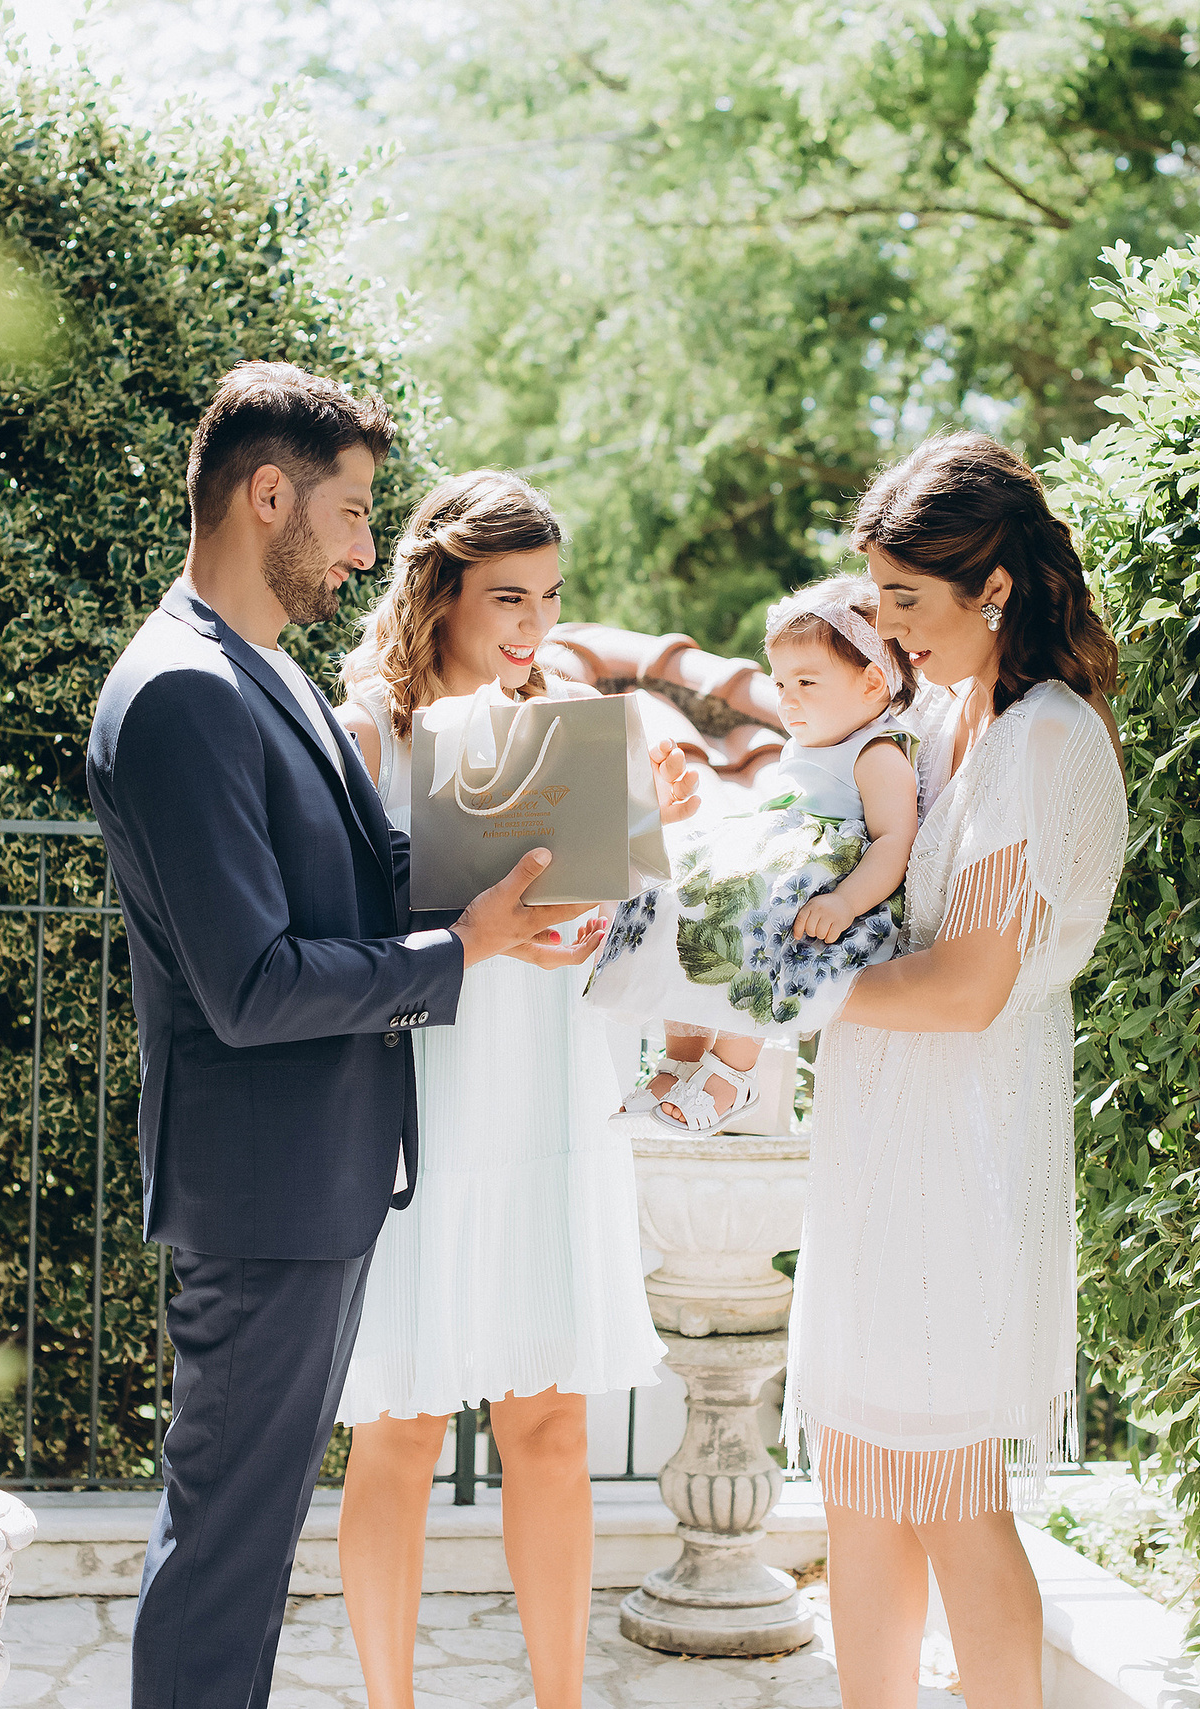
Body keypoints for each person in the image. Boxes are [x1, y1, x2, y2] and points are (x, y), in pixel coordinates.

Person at [86, 364, 699, 1709]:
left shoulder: (265, 679)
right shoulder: (190, 689)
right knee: (222, 1561)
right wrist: (463, 949)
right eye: (356, 511)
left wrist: (552, 881)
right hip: (266, 1195)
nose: (369, 544)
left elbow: (371, 873)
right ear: (267, 495)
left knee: (235, 1561)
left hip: (323, 1176)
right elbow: (248, 987)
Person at [784, 432, 1126, 1709]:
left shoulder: (1041, 738)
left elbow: (972, 982)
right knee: (861, 1479)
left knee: (946, 1489)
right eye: (877, 596)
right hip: (891, 1135)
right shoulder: (941, 713)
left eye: (907, 601)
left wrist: (793, 992)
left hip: (966, 1148)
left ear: (993, 587)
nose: (886, 627)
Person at [327, 471, 669, 1709]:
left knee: (554, 1429)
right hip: (428, 1096)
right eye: (506, 596)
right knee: (399, 1429)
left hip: (554, 1091)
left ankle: (562, 1700)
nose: (532, 624)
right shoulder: (367, 728)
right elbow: (342, 920)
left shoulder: (569, 724)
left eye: (550, 596)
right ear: (441, 590)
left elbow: (604, 916)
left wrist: (638, 841)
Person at [582, 574, 921, 1132]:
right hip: (777, 857)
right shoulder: (806, 743)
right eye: (781, 684)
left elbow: (894, 841)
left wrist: (844, 901)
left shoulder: (876, 751)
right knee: (679, 890)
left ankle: (733, 1071)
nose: (786, 701)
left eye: (806, 682)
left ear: (872, 683)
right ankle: (681, 1057)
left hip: (815, 886)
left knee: (756, 919)